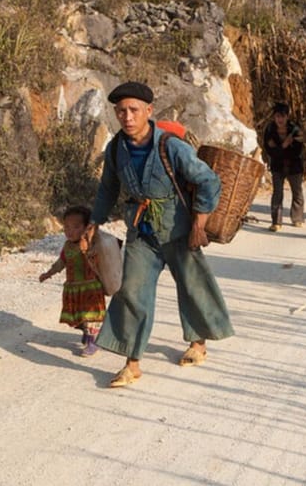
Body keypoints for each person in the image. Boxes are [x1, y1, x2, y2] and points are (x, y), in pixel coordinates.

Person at [88, 81, 235, 388]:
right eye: (121, 111)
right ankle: (132, 362)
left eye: (134, 110)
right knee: (131, 291)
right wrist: (94, 222)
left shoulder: (171, 146)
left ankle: (198, 342)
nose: (127, 117)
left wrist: (199, 224)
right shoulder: (117, 149)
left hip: (180, 230)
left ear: (148, 112)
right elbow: (107, 189)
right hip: (141, 233)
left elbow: (208, 181)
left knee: (193, 285)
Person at [38, 205, 106, 356]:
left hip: (90, 288)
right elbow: (61, 263)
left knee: (90, 315)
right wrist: (48, 273)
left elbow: (100, 258)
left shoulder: (90, 244)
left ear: (86, 227)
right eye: (66, 227)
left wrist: (88, 245)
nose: (70, 231)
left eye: (76, 227)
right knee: (78, 317)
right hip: (74, 288)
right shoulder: (67, 246)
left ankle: (92, 342)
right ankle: (88, 334)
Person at [262, 102, 305, 231]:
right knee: (277, 193)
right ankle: (276, 221)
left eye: (282, 116)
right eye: (277, 117)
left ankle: (297, 218)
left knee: (297, 191)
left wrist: (284, 149)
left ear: (287, 117)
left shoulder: (295, 130)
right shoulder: (270, 130)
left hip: (294, 165)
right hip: (277, 165)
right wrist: (284, 146)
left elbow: (299, 150)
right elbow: (270, 150)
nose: (279, 120)